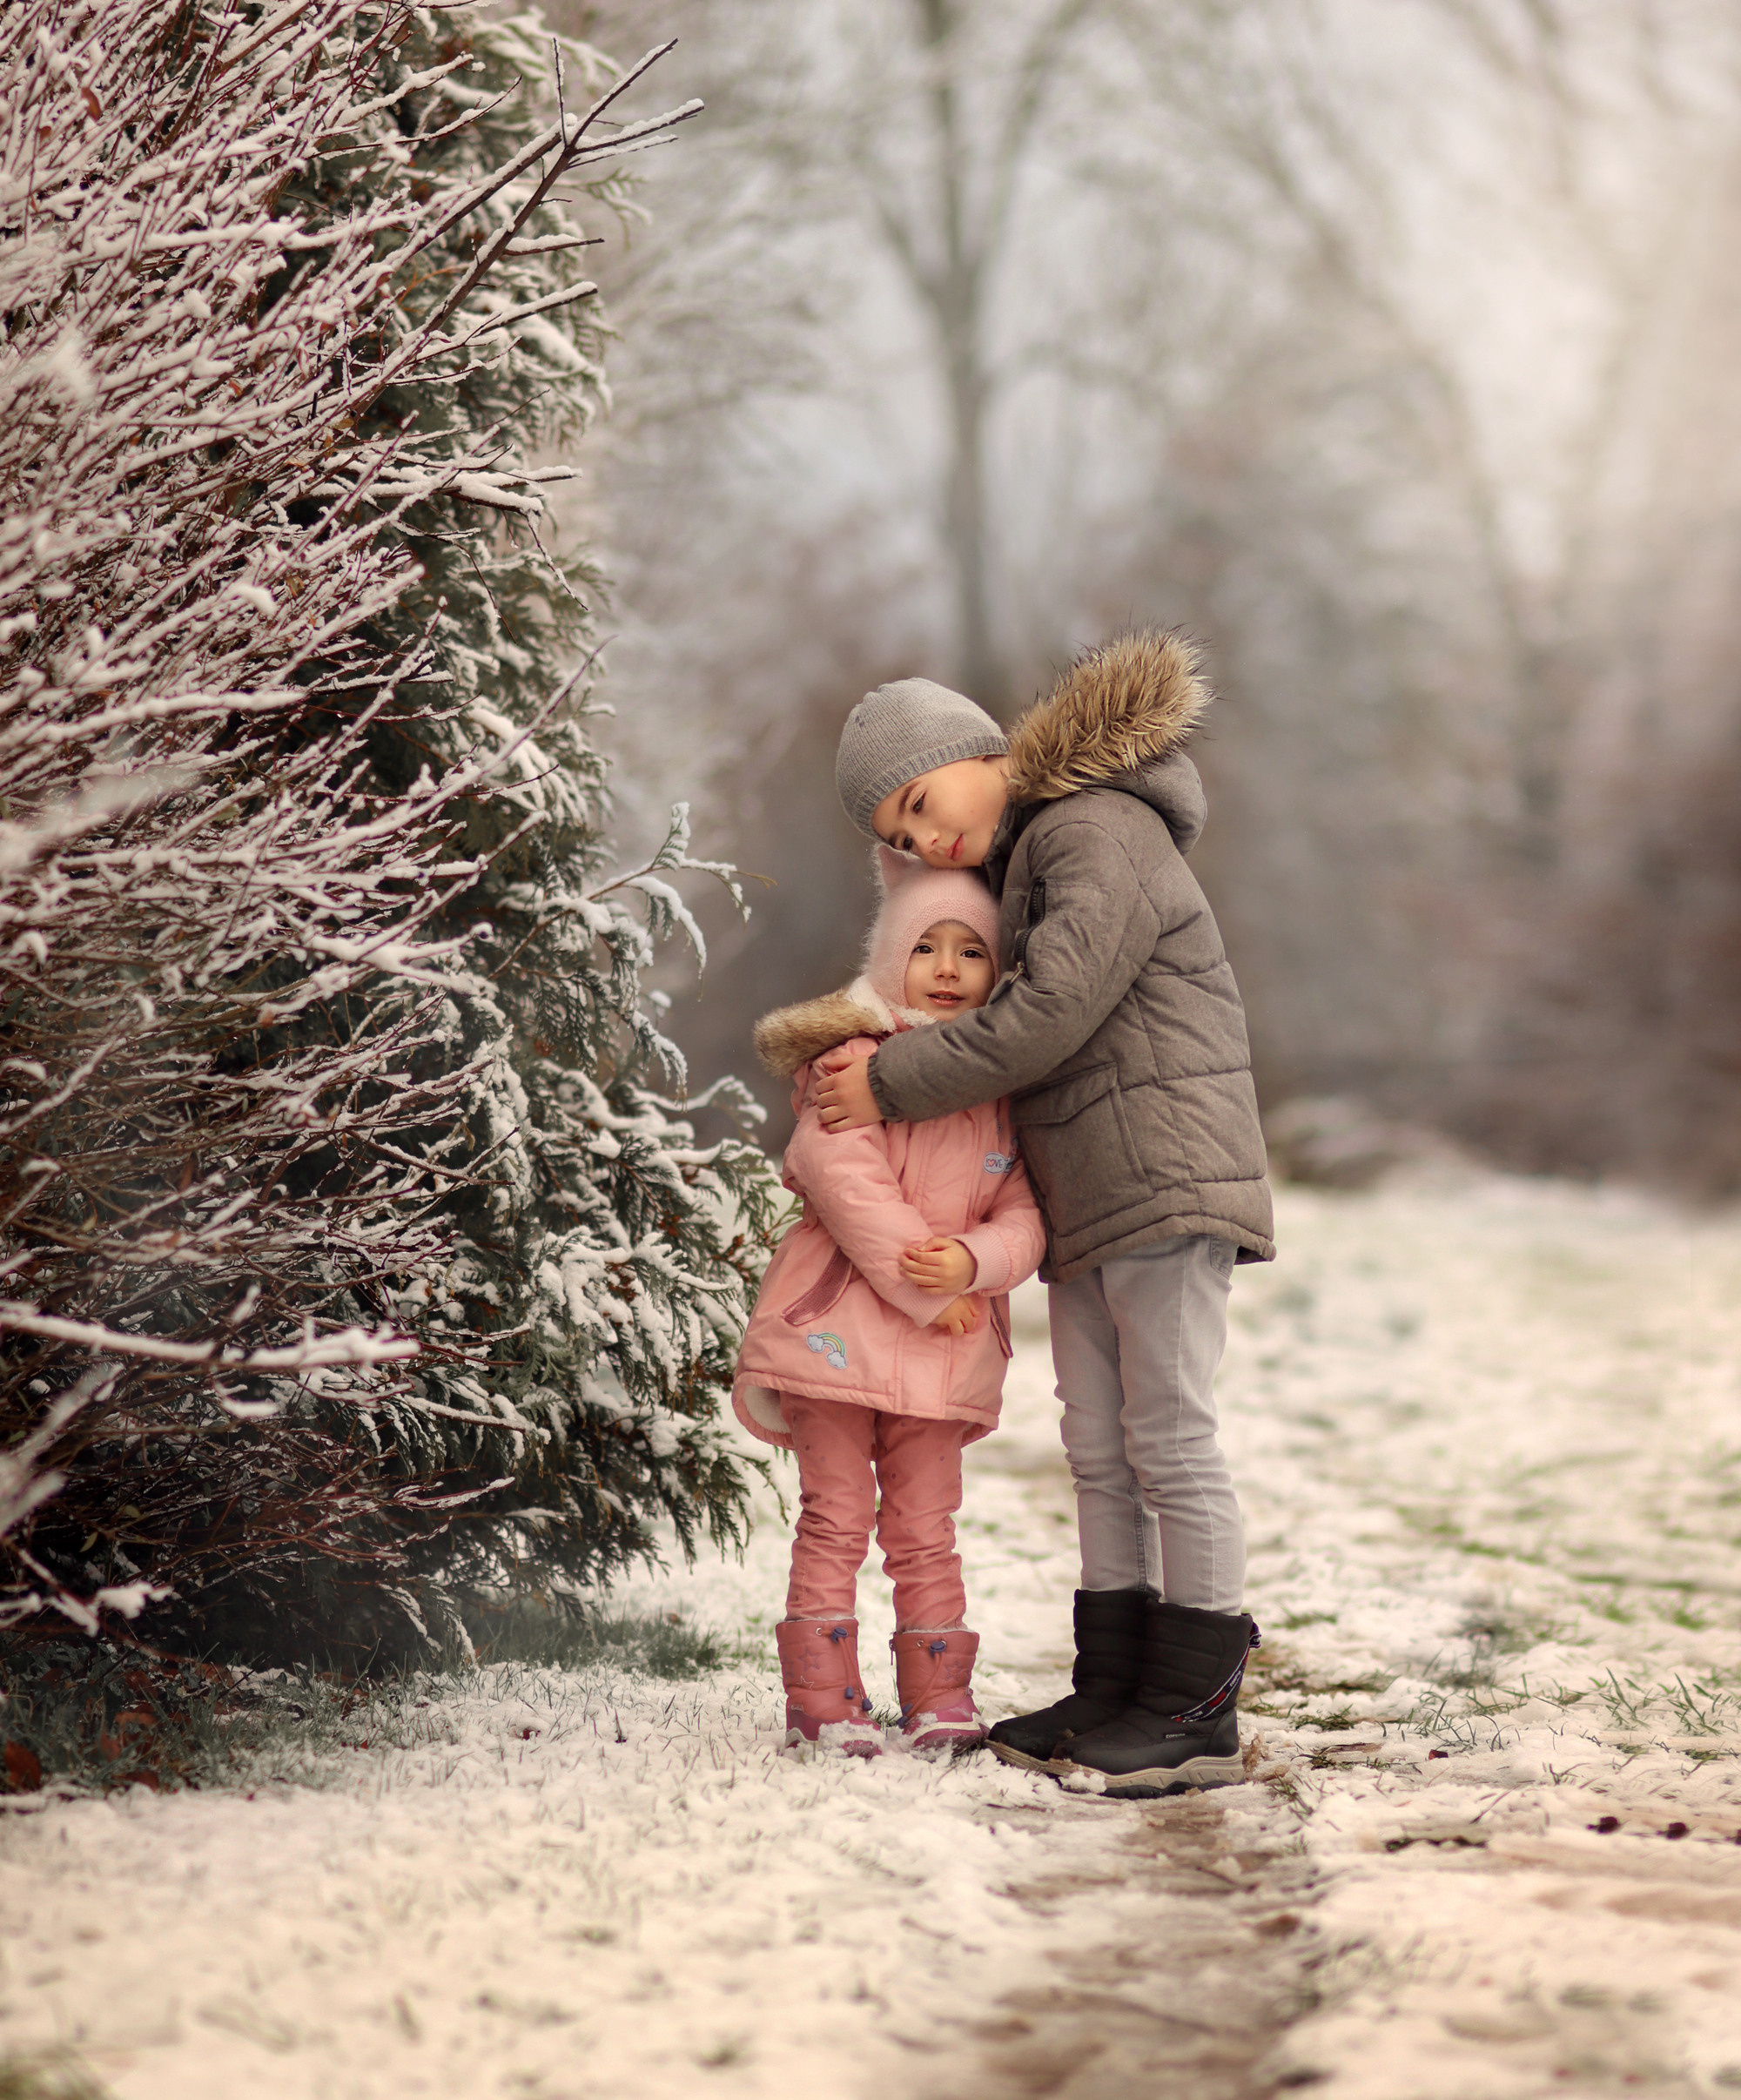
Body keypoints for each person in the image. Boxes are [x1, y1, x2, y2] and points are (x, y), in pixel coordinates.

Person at [812, 630, 1274, 1798]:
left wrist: (891, 1084)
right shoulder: (1026, 865)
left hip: (1161, 1173)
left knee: (1167, 1438)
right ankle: (1118, 1682)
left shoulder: (1093, 827)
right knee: (1098, 1447)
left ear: (979, 753)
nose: (921, 839)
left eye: (919, 802)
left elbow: (1056, 1012)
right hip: (1094, 1190)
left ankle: (1199, 1704)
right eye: (897, 837)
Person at [735, 851, 1046, 1757]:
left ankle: (940, 1698)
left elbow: (1026, 1212)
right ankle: (823, 1700)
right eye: (925, 949)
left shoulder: (1000, 1094)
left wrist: (977, 1261)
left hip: (947, 1344)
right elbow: (844, 1178)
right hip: (838, 1335)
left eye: (970, 953)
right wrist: (924, 1286)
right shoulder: (852, 1067)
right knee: (836, 1515)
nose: (946, 970)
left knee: (924, 1525)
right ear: (887, 962)